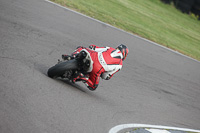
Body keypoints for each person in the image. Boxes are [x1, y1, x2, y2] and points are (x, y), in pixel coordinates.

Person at [62, 44, 129, 91]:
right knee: (93, 87)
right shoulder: (120, 64)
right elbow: (106, 76)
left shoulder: (110, 48)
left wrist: (92, 46)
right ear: (124, 55)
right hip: (97, 68)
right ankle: (82, 77)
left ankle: (72, 56)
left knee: (81, 48)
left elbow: (94, 48)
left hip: (92, 56)